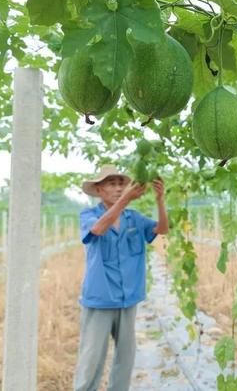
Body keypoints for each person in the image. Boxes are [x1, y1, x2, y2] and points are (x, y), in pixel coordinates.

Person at [73, 164, 168, 391]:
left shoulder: (133, 218)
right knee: (91, 359)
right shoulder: (89, 215)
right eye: (111, 184)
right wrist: (125, 200)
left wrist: (160, 200)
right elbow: (97, 229)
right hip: (100, 298)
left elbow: (162, 229)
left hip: (128, 298)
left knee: (126, 358)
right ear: (98, 190)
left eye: (121, 183)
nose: (118, 188)